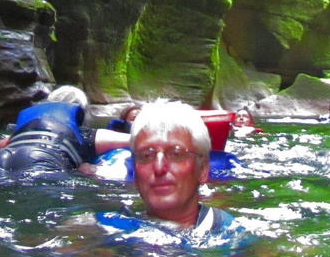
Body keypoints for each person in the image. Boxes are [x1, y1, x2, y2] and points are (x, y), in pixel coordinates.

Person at [95, 100, 247, 246]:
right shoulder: (106, 228)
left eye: (176, 154)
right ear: (134, 170)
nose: (159, 167)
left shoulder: (235, 235)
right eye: (146, 156)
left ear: (202, 169)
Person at [0, 86, 129, 174]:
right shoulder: (86, 135)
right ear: (82, 113)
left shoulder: (26, 126)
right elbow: (135, 140)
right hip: (42, 164)